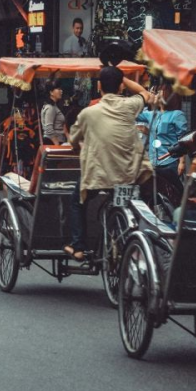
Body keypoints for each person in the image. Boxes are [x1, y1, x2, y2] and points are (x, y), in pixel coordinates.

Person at [65, 67, 153, 261]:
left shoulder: (88, 113)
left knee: (77, 201)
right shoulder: (130, 106)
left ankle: (78, 246)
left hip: (100, 176)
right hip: (129, 174)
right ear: (121, 86)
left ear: (98, 86)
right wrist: (123, 77)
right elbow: (145, 93)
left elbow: (73, 140)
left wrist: (77, 147)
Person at [138, 83, 188, 197]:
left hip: (169, 162)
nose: (156, 95)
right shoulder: (151, 114)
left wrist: (182, 162)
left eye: (159, 93)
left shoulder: (177, 115)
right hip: (153, 162)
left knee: (172, 193)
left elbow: (182, 140)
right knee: (153, 194)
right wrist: (146, 99)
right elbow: (133, 114)